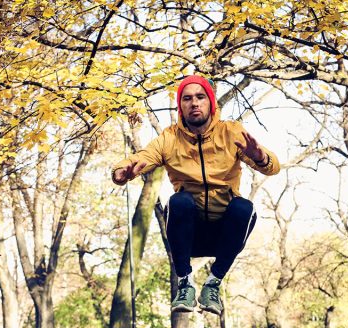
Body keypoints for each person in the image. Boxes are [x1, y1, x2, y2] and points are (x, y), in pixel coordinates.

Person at [112, 75, 280, 315]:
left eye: (200, 97)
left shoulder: (230, 132)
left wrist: (259, 157)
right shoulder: (170, 138)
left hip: (225, 233)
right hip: (188, 234)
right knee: (178, 201)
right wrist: (121, 172)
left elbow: (273, 167)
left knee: (244, 207)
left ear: (211, 103)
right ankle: (185, 283)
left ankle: (213, 283)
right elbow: (143, 156)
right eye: (187, 99)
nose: (194, 103)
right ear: (180, 106)